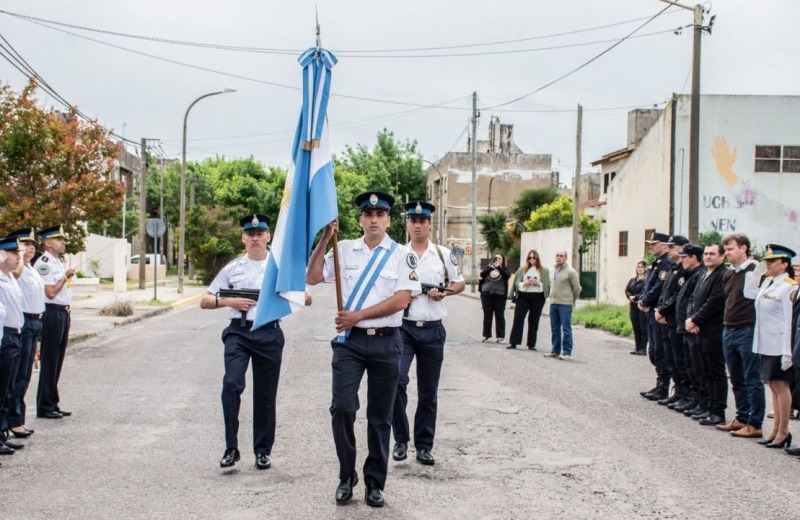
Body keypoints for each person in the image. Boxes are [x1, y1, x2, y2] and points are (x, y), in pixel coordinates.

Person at [307, 191, 421, 508]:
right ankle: (347, 476)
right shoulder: (343, 248)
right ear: (360, 220)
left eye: (379, 215)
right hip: (351, 343)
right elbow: (312, 276)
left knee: (380, 417)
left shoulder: (402, 255)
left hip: (387, 341)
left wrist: (357, 315)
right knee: (342, 408)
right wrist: (325, 237)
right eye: (368, 215)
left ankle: (374, 483)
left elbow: (402, 299)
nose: (373, 219)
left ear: (388, 220)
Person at [201, 214, 289, 470]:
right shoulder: (233, 268)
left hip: (269, 333)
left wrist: (279, 297)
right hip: (238, 333)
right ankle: (231, 448)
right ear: (243, 238)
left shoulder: (278, 268)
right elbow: (205, 300)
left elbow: (305, 297)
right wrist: (229, 301)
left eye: (260, 234)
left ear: (268, 236)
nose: (255, 238)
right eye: (251, 234)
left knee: (265, 395)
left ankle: (263, 451)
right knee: (231, 384)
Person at [391, 201, 464, 467]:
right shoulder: (398, 254)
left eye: (422, 221)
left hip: (432, 329)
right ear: (407, 223)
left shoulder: (443, 254)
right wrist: (403, 294)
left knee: (428, 391)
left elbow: (459, 282)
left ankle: (424, 446)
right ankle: (400, 440)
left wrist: (444, 292)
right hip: (404, 328)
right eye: (413, 220)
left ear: (430, 224)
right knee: (397, 381)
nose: (418, 225)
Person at [745, 245, 796, 449]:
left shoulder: (789, 287)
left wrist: (788, 351)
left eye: (773, 261)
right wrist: (755, 273)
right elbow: (749, 293)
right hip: (765, 342)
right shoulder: (768, 282)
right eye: (767, 260)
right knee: (773, 386)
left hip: (779, 344)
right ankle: (775, 430)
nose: (768, 264)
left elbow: (790, 321)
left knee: (781, 386)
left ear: (784, 264)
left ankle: (783, 431)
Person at [716, 233, 764, 438]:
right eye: (725, 249)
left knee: (752, 378)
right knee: (736, 377)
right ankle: (742, 417)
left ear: (743, 248)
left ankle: (755, 423)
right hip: (729, 328)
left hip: (747, 329)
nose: (727, 253)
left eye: (730, 249)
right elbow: (727, 300)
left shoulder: (755, 270)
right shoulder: (729, 273)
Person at [32, 225, 75, 419]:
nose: (63, 242)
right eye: (59, 239)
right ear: (48, 243)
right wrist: (65, 277)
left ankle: (52, 401)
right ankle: (44, 406)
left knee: (57, 360)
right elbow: (50, 293)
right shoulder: (45, 263)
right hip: (51, 313)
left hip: (62, 313)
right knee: (49, 360)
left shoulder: (57, 262)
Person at [7, 228, 45, 439]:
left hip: (34, 322)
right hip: (23, 323)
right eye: (26, 245)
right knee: (18, 376)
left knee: (25, 375)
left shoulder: (31, 269)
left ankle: (18, 418)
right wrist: (19, 254)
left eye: (32, 244)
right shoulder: (18, 269)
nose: (31, 248)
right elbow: (17, 272)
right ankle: (14, 421)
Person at [685, 244, 727, 426]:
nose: (708, 257)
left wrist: (696, 319)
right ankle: (708, 406)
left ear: (722, 256)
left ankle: (718, 410)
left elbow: (715, 301)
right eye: (706, 253)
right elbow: (694, 299)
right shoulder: (704, 274)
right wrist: (691, 320)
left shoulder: (722, 275)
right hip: (699, 329)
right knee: (704, 370)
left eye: (712, 254)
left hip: (713, 329)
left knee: (715, 372)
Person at [653, 235, 690, 406]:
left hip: (676, 320)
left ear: (682, 248)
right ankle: (677, 393)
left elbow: (678, 295)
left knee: (680, 360)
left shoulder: (684, 270)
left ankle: (685, 394)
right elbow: (665, 292)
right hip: (666, 319)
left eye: (672, 247)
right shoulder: (674, 268)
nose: (668, 250)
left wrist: (663, 310)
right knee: (670, 358)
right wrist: (660, 309)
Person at [638, 232, 674, 401]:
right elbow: (647, 284)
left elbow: (660, 286)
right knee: (653, 349)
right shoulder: (656, 262)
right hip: (650, 310)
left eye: (654, 243)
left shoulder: (667, 263)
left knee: (659, 349)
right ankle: (660, 383)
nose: (651, 246)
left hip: (658, 310)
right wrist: (642, 299)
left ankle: (664, 386)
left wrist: (646, 300)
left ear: (664, 245)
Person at [0, 235, 26, 455]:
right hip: (5, 337)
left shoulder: (10, 279)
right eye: (14, 253)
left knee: (8, 389)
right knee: (1, 389)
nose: (19, 257)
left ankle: (2, 434)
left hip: (15, 335)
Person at [672, 244, 705, 415]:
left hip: (692, 326)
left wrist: (692, 320)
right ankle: (689, 396)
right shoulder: (688, 274)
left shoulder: (699, 274)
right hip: (683, 325)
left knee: (695, 367)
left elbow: (695, 301)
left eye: (685, 257)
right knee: (686, 364)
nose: (682, 259)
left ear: (693, 257)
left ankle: (698, 399)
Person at [508, 249, 550, 350]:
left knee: (534, 320)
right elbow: (516, 284)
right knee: (518, 318)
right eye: (530, 258)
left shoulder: (544, 270)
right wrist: (525, 283)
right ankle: (514, 342)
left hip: (538, 298)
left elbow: (547, 286)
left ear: (537, 259)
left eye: (534, 258)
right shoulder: (522, 269)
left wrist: (538, 283)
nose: (532, 260)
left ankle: (531, 344)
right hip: (523, 297)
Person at [544, 250, 581, 360]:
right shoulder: (553, 270)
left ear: (566, 258)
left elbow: (576, 288)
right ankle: (555, 350)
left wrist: (572, 300)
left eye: (561, 256)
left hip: (565, 304)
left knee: (566, 328)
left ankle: (566, 352)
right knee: (554, 328)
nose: (559, 257)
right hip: (554, 303)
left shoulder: (571, 272)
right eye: (557, 255)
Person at [479, 253, 511, 343]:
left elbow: (507, 276)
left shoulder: (505, 269)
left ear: (503, 260)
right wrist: (491, 267)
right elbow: (482, 274)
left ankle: (500, 336)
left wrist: (499, 268)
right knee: (487, 315)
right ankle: (486, 335)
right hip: (487, 294)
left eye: (500, 258)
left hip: (500, 295)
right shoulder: (489, 267)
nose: (497, 259)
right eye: (496, 258)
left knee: (500, 316)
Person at [625, 261, 648, 356]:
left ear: (645, 269)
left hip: (642, 306)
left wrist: (636, 297)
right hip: (633, 306)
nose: (639, 269)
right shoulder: (633, 280)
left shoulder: (647, 281)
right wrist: (629, 296)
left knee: (643, 327)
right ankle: (637, 347)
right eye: (638, 267)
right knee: (636, 327)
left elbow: (645, 292)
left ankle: (643, 348)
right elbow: (627, 290)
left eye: (642, 267)